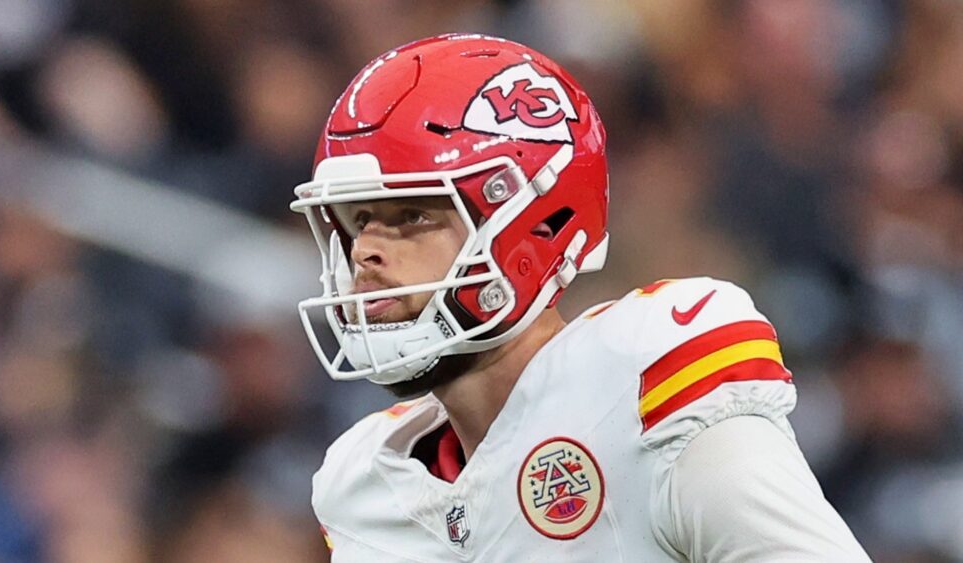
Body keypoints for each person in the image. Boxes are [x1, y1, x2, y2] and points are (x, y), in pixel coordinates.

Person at [289, 34, 870, 562]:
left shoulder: (646, 386)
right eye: (358, 219)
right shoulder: (365, 485)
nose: (364, 250)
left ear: (536, 226)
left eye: (410, 214)